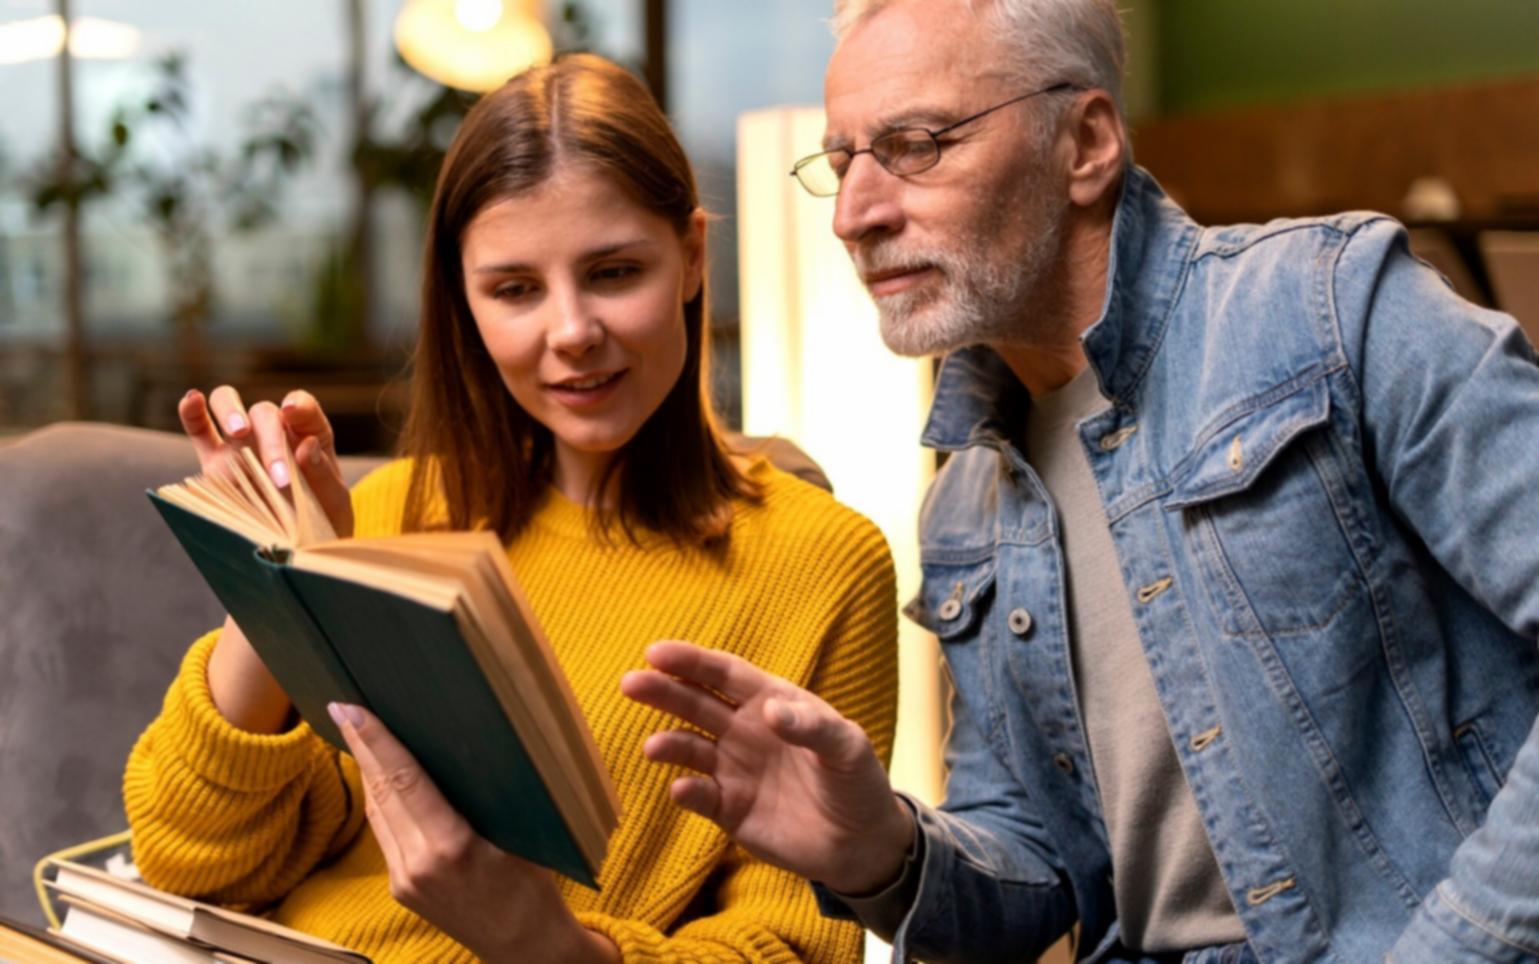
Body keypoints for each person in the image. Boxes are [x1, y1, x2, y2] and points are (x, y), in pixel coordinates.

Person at [619, 1, 1539, 962]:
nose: (856, 214)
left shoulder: (1332, 311)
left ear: (1086, 143)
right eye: (844, 161)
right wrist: (878, 848)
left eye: (917, 145)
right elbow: (1038, 878)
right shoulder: (966, 499)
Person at [124, 53, 898, 964]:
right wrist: (275, 575)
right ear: (464, 297)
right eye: (515, 289)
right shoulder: (392, 511)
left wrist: (544, 943)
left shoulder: (820, 563)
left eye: (613, 272)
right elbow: (184, 862)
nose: (571, 332)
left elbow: (797, 948)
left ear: (691, 257)